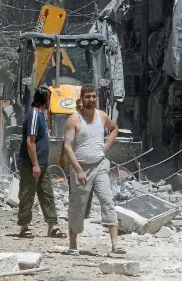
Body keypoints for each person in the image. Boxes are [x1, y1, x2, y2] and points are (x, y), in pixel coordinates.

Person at [63, 84, 126, 255]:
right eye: (87, 96)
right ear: (81, 99)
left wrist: (105, 147)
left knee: (107, 200)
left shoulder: (102, 116)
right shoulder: (74, 119)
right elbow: (68, 147)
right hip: (80, 169)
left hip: (99, 166)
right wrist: (78, 170)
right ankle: (73, 246)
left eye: (93, 96)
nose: (91, 99)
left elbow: (115, 129)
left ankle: (115, 245)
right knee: (78, 205)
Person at [17, 87, 66, 239]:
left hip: (42, 165)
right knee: (27, 194)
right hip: (31, 165)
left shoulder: (41, 116)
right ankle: (24, 227)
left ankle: (52, 226)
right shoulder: (33, 115)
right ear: (44, 100)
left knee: (47, 194)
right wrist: (35, 165)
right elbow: (30, 141)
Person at [59, 98, 94, 220]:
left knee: (88, 187)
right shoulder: (73, 122)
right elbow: (66, 142)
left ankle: (85, 214)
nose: (80, 109)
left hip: (88, 162)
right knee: (73, 187)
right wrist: (62, 157)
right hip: (74, 162)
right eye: (78, 107)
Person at [170, 95, 182, 174]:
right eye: (177, 101)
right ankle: (175, 168)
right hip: (177, 133)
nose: (178, 102)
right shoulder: (174, 110)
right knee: (175, 151)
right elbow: (172, 122)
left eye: (180, 101)